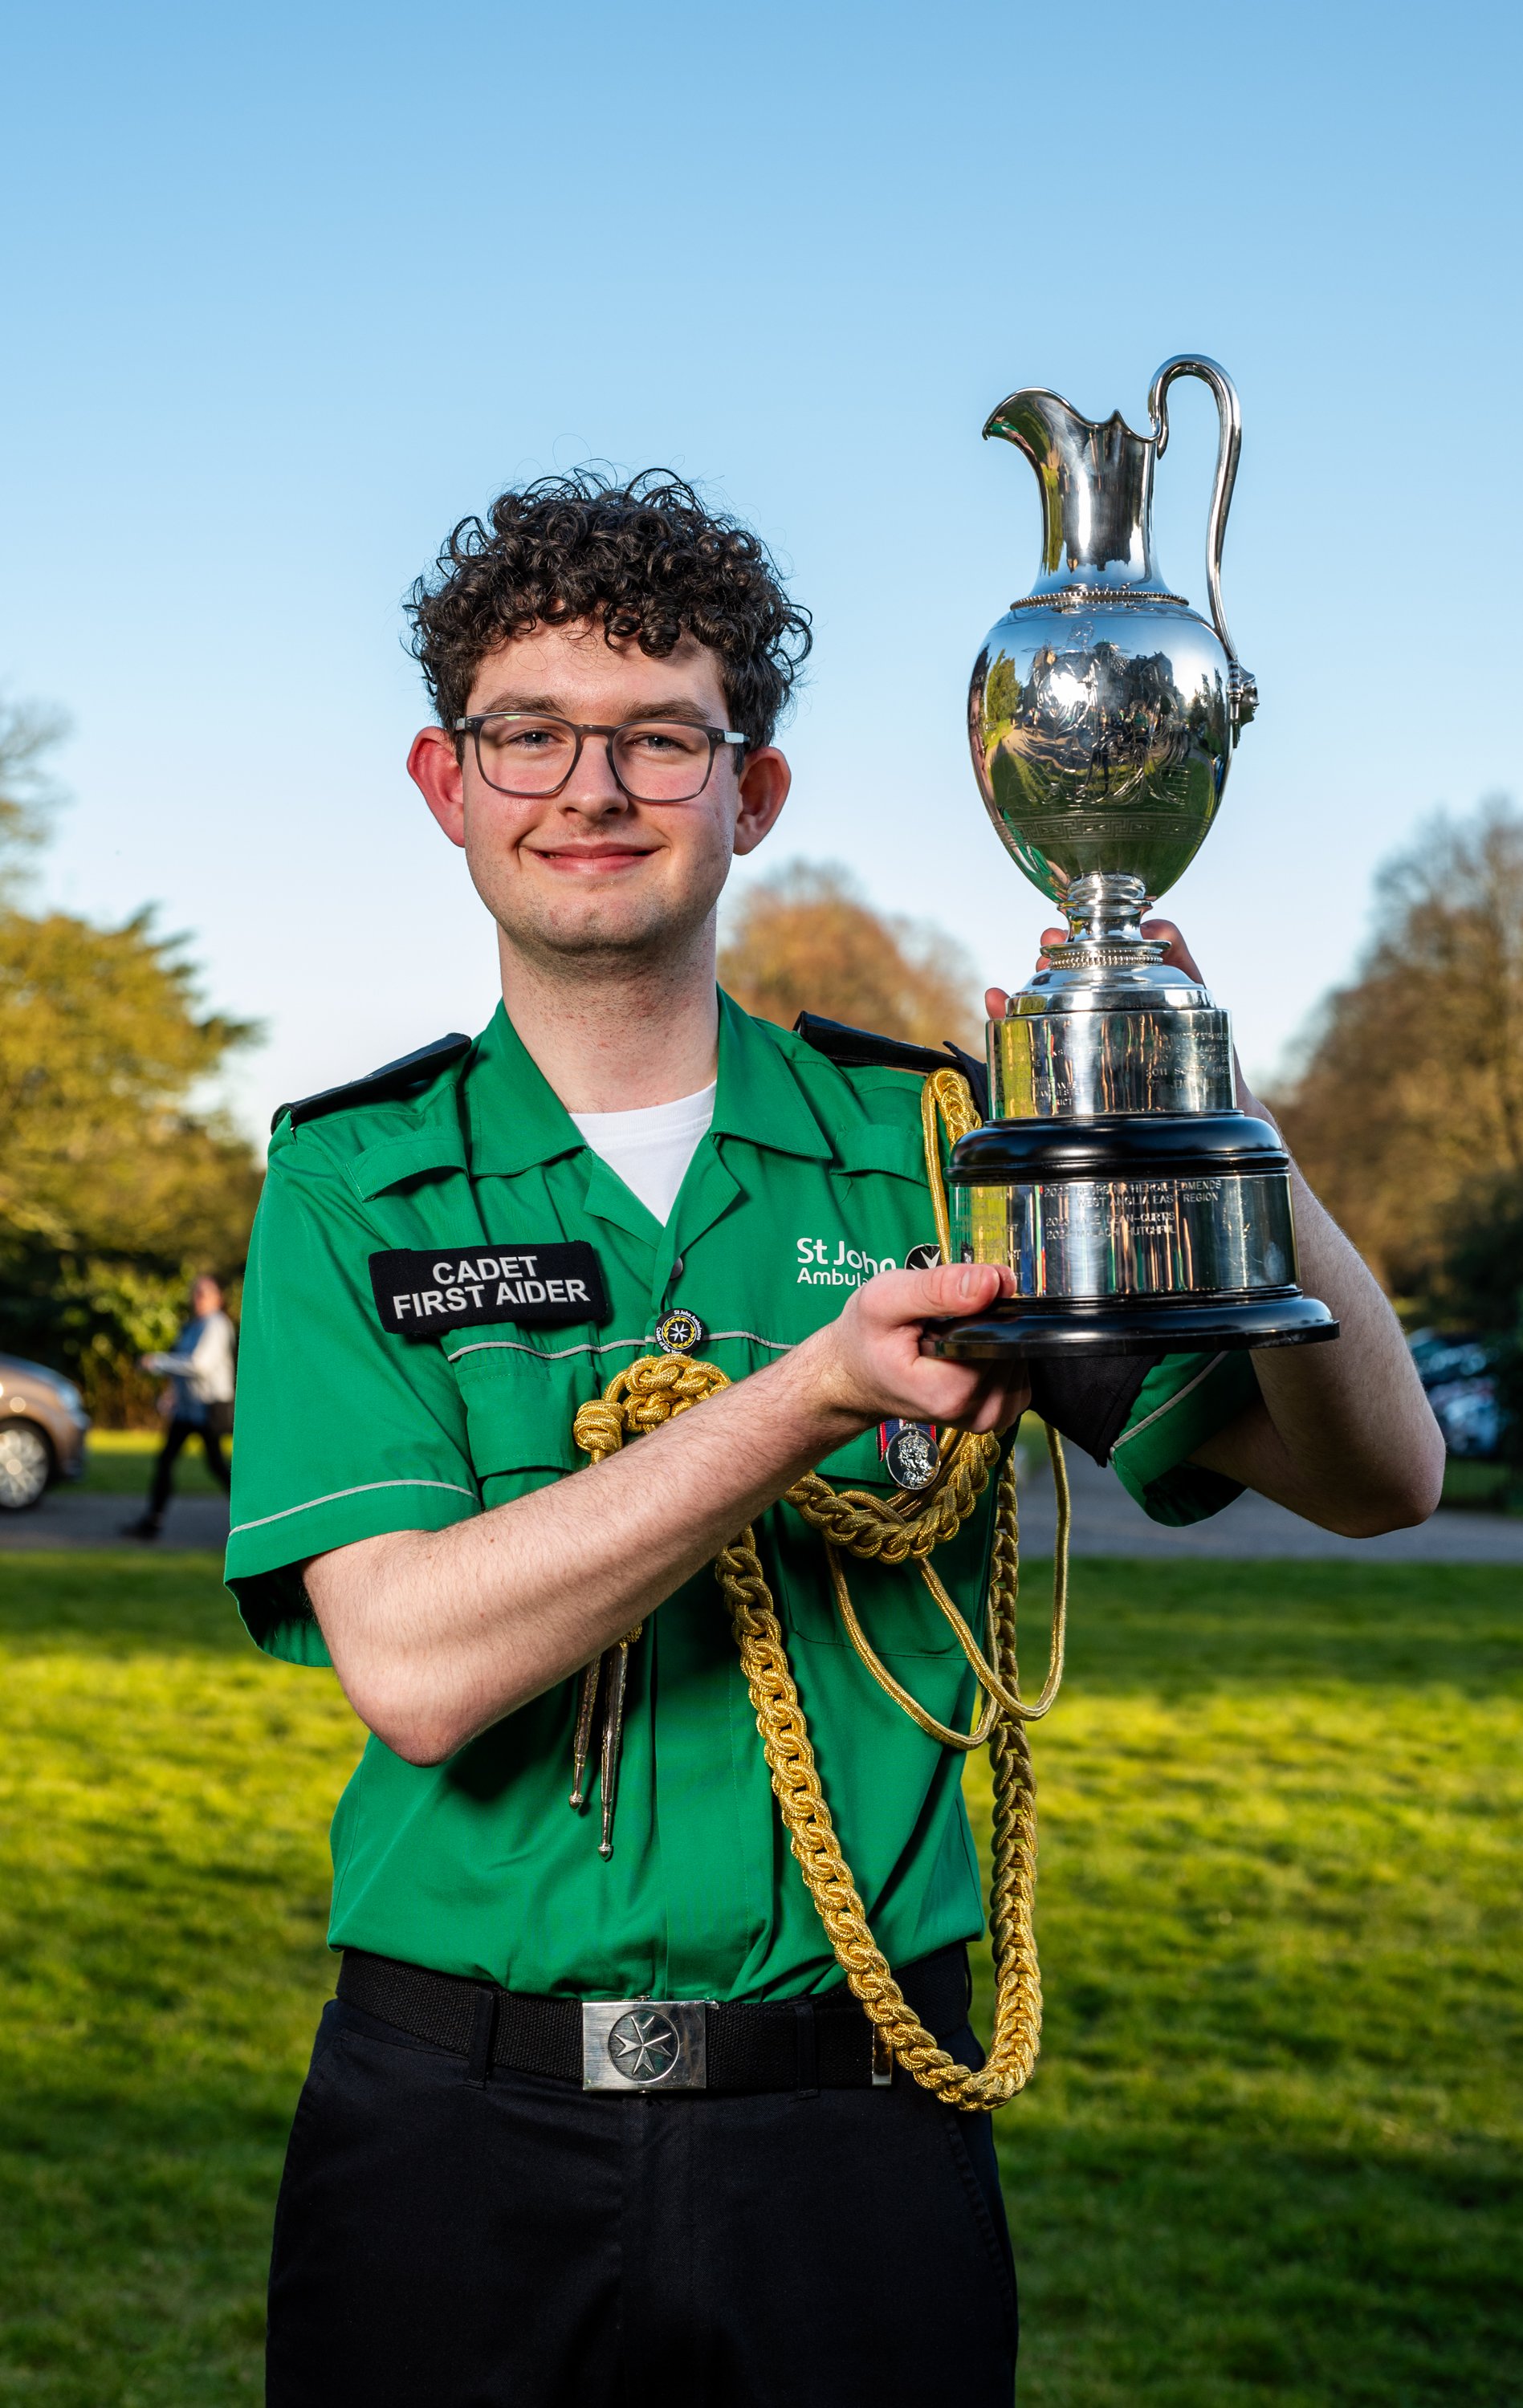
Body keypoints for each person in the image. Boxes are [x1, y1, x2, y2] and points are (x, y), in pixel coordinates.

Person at [225, 472, 1444, 2407]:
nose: (592, 787)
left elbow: (1381, 1478)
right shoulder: (359, 1179)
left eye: (660, 738)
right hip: (451, 2136)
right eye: (529, 733)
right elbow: (419, 1665)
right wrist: (812, 1393)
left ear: (752, 794)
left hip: (853, 2133)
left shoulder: (934, 1146)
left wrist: (1213, 1118)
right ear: (447, 784)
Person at [122, 1271, 235, 1540]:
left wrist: (157, 1361)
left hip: (210, 1409)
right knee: (166, 1460)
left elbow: (199, 1365)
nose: (197, 1298)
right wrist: (172, 1394)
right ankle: (152, 1522)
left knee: (217, 1466)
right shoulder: (193, 1325)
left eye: (204, 1293)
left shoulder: (216, 1325)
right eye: (195, 1292)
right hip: (188, 1410)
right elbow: (182, 1365)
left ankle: (253, 1522)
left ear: (219, 1298)